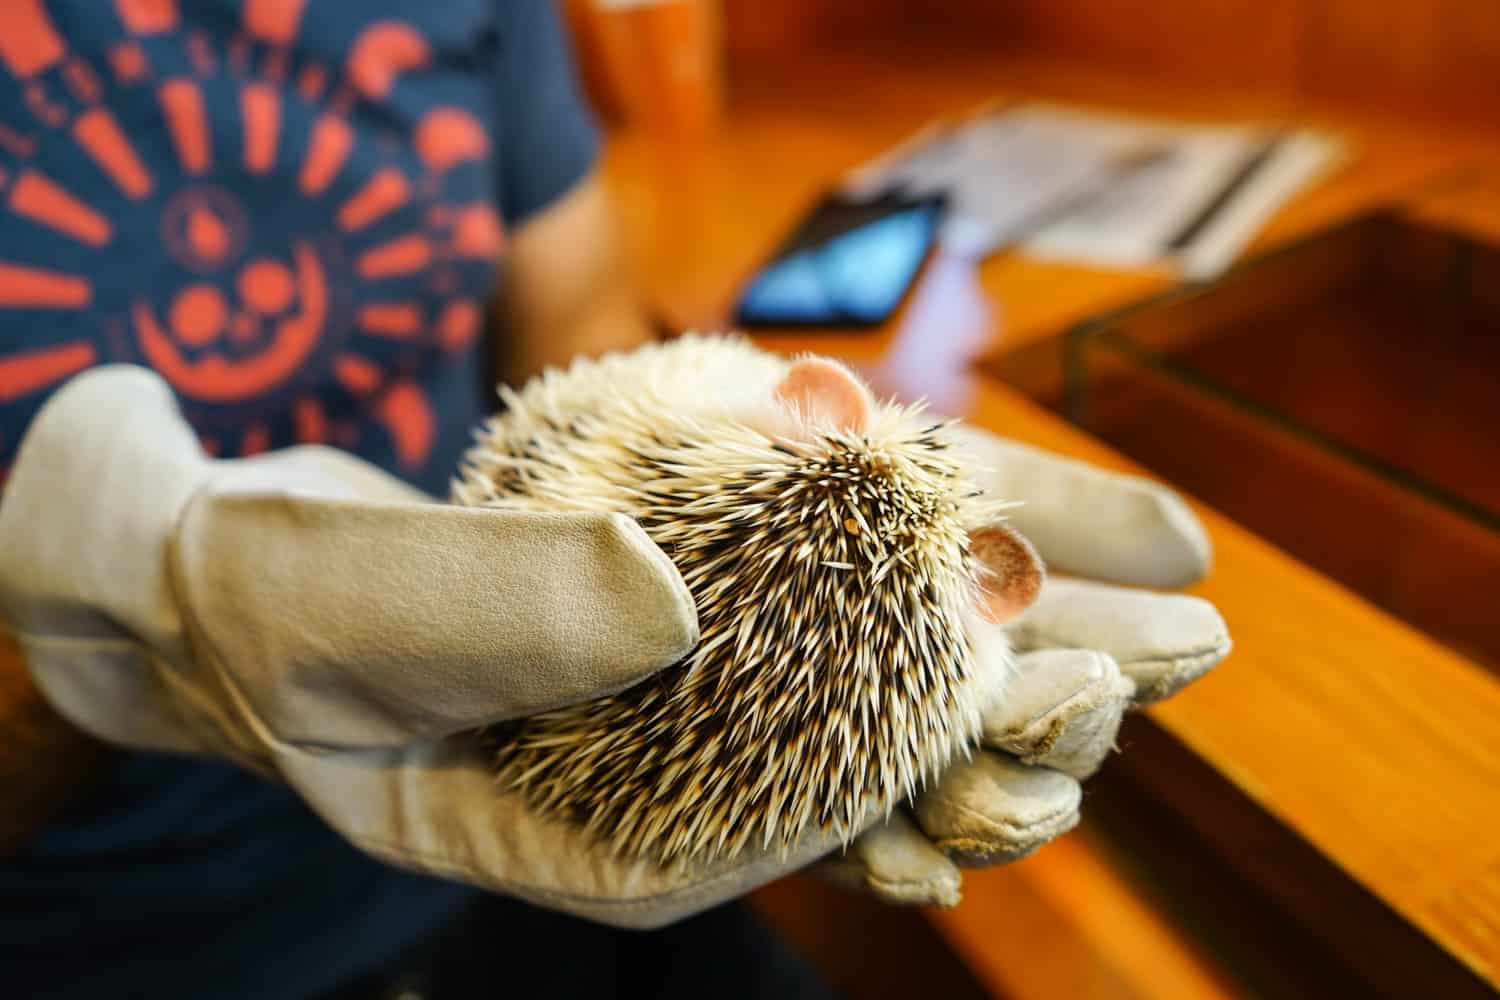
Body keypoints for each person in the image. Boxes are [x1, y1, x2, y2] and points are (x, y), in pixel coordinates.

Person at [0, 2, 1231, 997]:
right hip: (116, 938)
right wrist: (101, 622)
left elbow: (574, 319)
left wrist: (676, 399)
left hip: (526, 845)